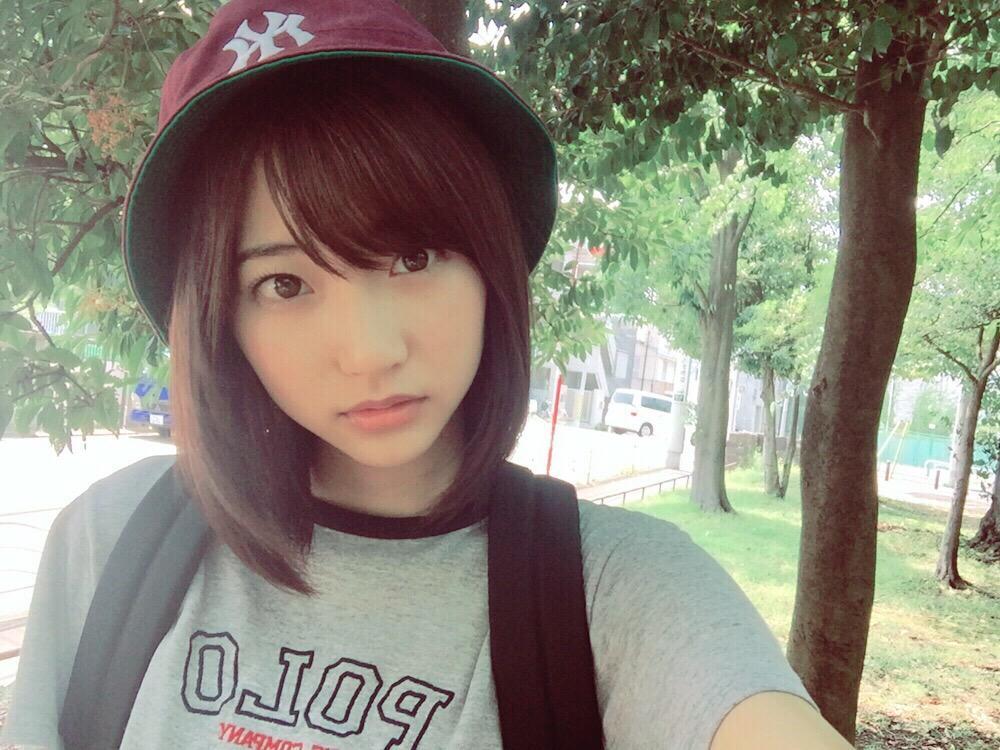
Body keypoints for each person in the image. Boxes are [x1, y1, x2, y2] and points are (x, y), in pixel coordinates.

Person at [0, 0, 853, 748]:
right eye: (284, 284)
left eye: (412, 256)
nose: (370, 351)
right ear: (221, 319)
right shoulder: (113, 541)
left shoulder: (616, 589)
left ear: (489, 266)